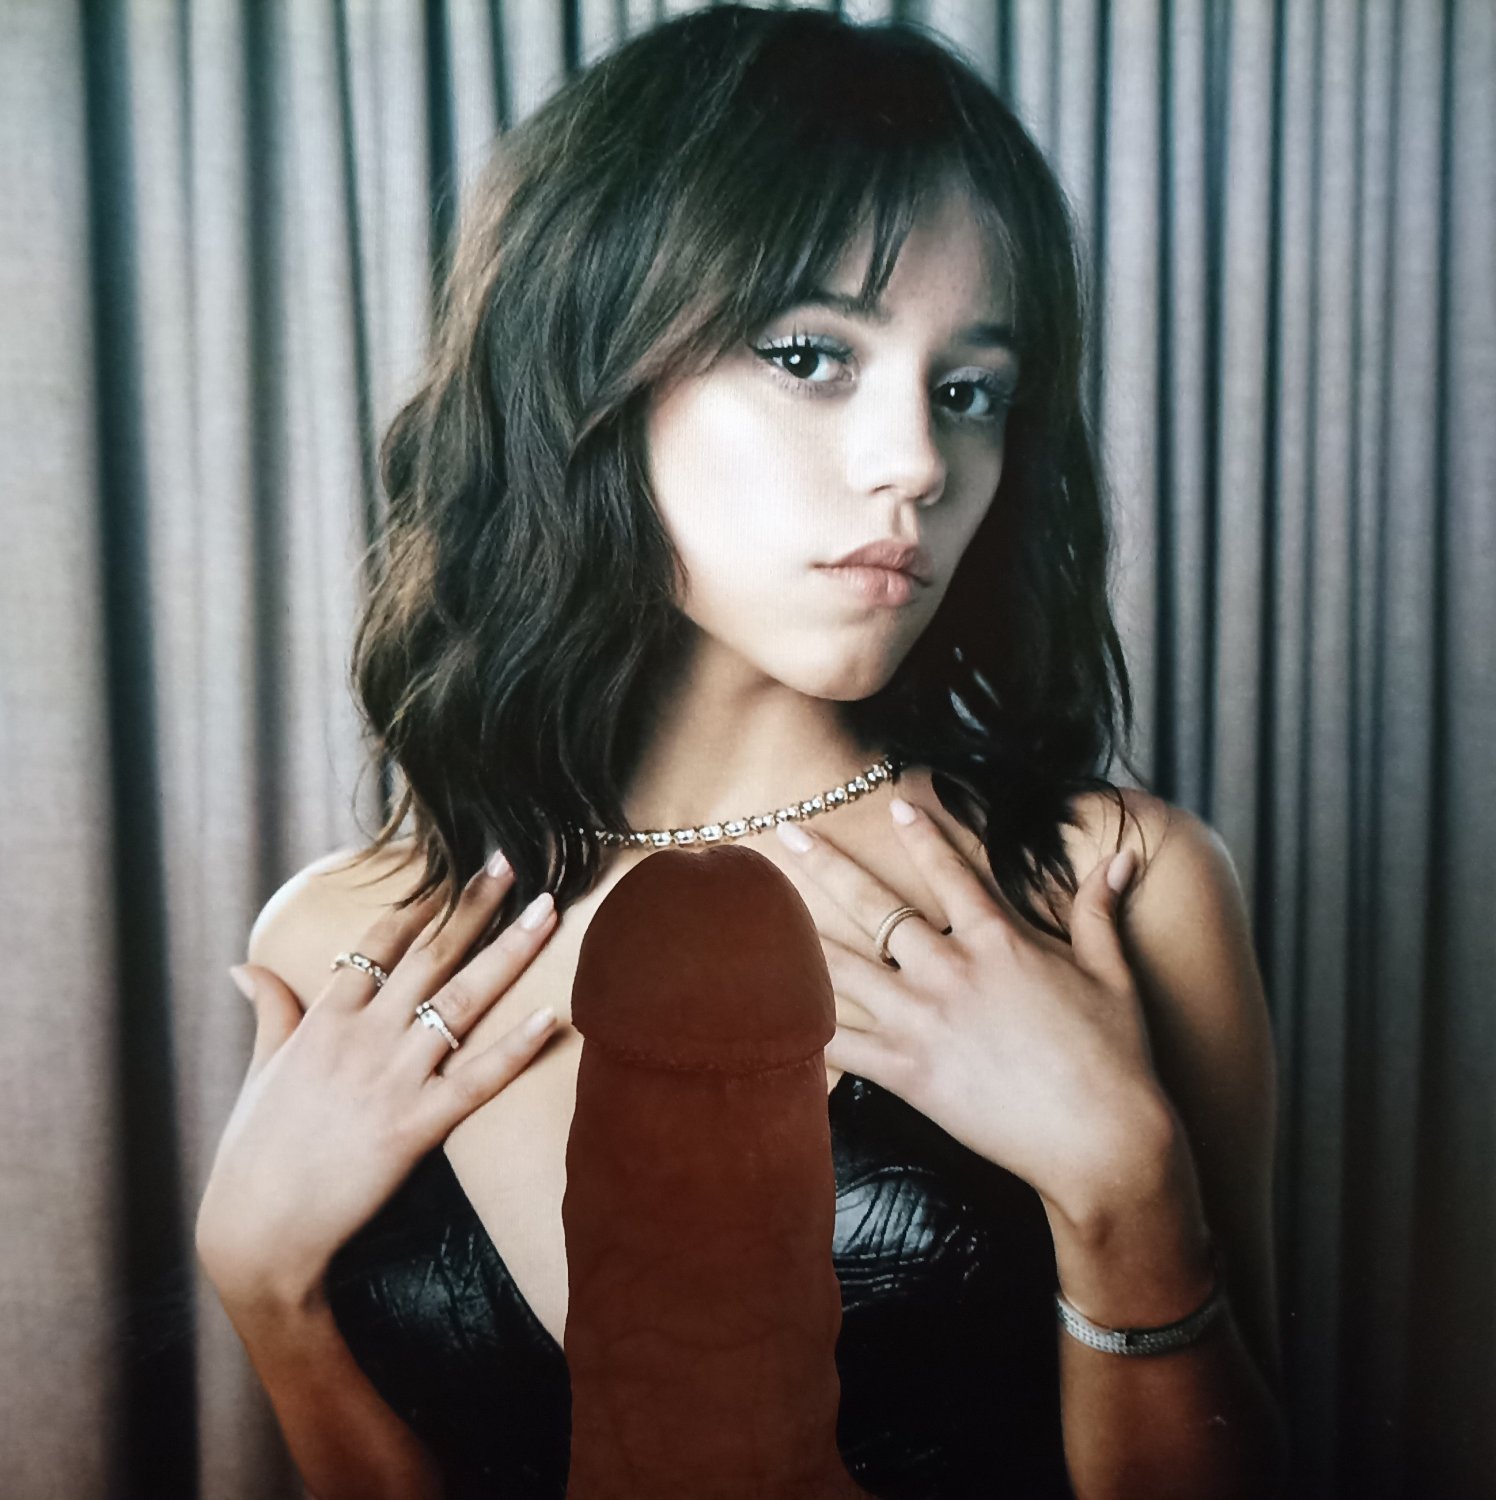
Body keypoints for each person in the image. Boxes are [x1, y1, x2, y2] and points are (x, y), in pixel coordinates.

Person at [194, 6, 1290, 1498]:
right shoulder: (351, 941)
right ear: (591, 356)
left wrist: (1127, 1194)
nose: (917, 461)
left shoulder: (1105, 887)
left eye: (969, 389)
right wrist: (268, 1295)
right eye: (810, 355)